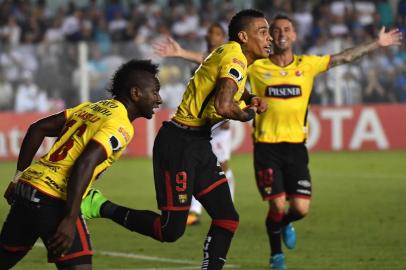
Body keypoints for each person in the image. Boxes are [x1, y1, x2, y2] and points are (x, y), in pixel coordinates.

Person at [80, 9, 271, 270]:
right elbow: (225, 106)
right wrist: (248, 114)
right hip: (179, 144)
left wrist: (248, 98)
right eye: (263, 32)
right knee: (170, 231)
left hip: (198, 142)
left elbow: (226, 87)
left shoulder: (230, 54)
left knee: (227, 218)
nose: (269, 38)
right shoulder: (235, 58)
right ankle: (99, 205)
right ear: (243, 36)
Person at [247, 14, 402, 269]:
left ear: (295, 35)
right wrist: (183, 53)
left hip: (296, 147)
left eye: (287, 29)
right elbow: (223, 65)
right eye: (275, 30)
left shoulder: (307, 64)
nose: (282, 33)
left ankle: (286, 223)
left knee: (301, 209)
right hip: (266, 146)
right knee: (276, 202)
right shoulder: (256, 66)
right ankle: (276, 256)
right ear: (270, 37)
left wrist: (377, 43)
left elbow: (345, 56)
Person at [0, 59, 162, 269]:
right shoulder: (121, 124)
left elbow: (37, 128)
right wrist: (70, 216)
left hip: (28, 188)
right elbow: (85, 162)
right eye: (155, 92)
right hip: (53, 196)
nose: (159, 99)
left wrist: (18, 178)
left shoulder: (92, 108)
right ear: (136, 93)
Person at [153, 22, 236, 225]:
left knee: (222, 165)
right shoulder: (202, 61)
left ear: (223, 37)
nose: (211, 36)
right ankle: (195, 210)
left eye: (216, 33)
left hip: (218, 120)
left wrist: (227, 117)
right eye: (209, 32)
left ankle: (227, 203)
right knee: (195, 164)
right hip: (199, 120)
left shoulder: (228, 58)